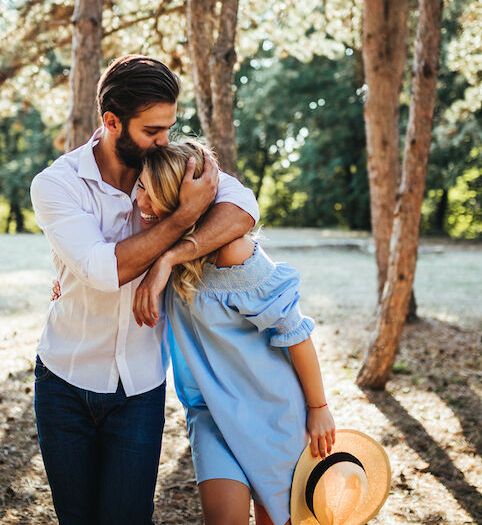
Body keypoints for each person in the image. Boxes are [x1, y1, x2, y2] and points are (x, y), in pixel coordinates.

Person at [29, 55, 259, 524]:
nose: (164, 140)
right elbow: (101, 269)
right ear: (112, 122)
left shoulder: (171, 165)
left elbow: (243, 206)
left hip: (140, 387)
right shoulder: (57, 184)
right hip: (65, 385)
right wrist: (180, 217)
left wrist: (170, 257)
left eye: (169, 128)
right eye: (152, 130)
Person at [132, 138, 336, 525]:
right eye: (140, 186)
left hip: (271, 412)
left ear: (183, 201)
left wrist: (319, 408)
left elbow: (295, 331)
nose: (140, 201)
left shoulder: (233, 252)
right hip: (210, 414)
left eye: (152, 193)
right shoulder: (159, 245)